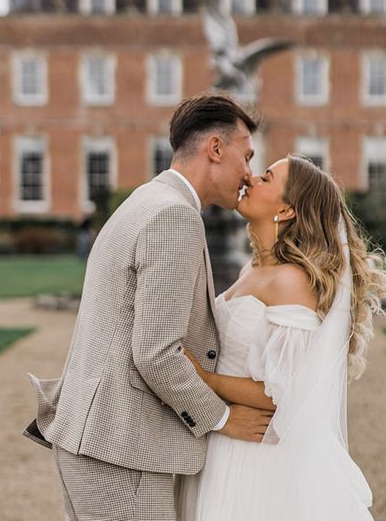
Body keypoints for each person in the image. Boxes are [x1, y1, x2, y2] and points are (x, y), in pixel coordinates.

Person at [24, 94, 273, 521]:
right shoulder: (173, 216)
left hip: (97, 442)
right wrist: (222, 418)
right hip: (120, 453)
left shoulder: (147, 199)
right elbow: (157, 354)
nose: (249, 173)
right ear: (215, 148)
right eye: (246, 156)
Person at [176, 155, 386, 520]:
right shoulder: (251, 268)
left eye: (267, 178)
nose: (251, 179)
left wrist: (206, 379)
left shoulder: (291, 281)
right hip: (224, 439)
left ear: (285, 209)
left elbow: (287, 393)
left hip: (255, 456)